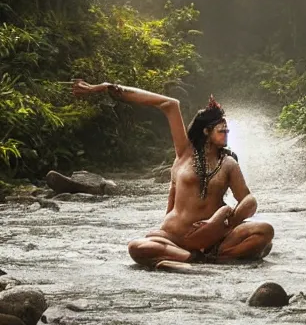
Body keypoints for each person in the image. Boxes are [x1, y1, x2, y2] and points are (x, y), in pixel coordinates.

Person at [72, 80, 274, 270]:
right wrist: (109, 88)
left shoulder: (228, 164)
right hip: (174, 237)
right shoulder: (184, 153)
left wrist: (223, 222)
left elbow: (247, 199)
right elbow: (169, 104)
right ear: (206, 131)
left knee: (265, 231)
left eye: (227, 130)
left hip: (215, 239)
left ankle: (217, 257)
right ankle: (192, 258)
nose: (226, 134)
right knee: (137, 247)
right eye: (222, 131)